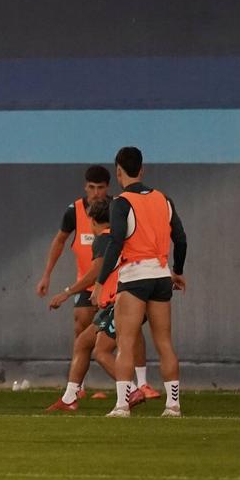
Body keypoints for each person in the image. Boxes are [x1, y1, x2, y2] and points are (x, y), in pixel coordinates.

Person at [92, 147, 187, 418]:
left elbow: (116, 241)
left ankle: (122, 405)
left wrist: (100, 283)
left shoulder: (121, 202)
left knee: (126, 342)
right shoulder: (163, 199)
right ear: (142, 170)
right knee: (164, 342)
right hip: (160, 276)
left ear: (118, 171)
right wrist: (177, 270)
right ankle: (173, 404)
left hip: (134, 278)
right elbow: (180, 239)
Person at [45, 199, 159, 411]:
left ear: (92, 221)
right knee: (83, 342)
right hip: (120, 301)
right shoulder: (120, 237)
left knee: (101, 352)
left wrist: (67, 293)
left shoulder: (103, 239)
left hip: (123, 301)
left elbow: (96, 271)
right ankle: (70, 398)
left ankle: (133, 390)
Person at [36, 165, 111, 396]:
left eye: (100, 188)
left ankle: (139, 383)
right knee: (81, 328)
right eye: (92, 187)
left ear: (107, 188)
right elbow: (59, 241)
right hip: (86, 283)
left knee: (127, 333)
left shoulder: (116, 208)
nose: (96, 193)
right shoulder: (74, 211)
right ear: (85, 186)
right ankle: (78, 386)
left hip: (113, 282)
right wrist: (47, 274)